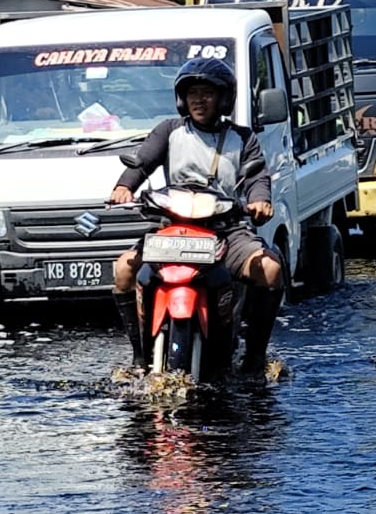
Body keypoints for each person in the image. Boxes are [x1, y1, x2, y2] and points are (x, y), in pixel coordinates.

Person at [109, 57, 283, 373]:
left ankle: (255, 357)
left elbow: (258, 177)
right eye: (192, 93)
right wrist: (124, 187)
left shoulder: (243, 138)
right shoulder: (169, 130)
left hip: (226, 230)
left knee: (270, 270)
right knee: (123, 270)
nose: (199, 100)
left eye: (207, 93)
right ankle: (137, 357)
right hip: (171, 227)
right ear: (181, 98)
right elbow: (142, 162)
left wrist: (260, 201)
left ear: (223, 98)